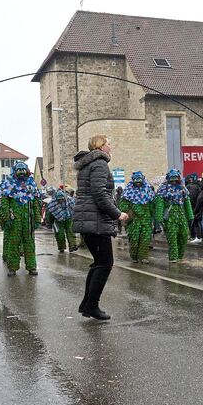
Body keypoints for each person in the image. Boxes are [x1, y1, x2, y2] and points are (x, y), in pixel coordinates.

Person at [73, 135, 129, 320]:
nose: (110, 146)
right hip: (95, 221)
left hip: (89, 220)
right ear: (101, 146)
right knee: (105, 263)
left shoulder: (88, 164)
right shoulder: (99, 164)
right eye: (108, 143)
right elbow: (100, 193)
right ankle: (91, 306)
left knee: (99, 263)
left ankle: (87, 304)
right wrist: (117, 214)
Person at [0, 162, 42, 276]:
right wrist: (7, 218)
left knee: (29, 243)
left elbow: (37, 203)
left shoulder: (31, 185)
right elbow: (4, 204)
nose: (21, 172)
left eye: (23, 170)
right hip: (14, 220)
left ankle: (31, 267)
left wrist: (37, 219)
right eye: (19, 170)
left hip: (28, 220)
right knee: (14, 243)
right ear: (15, 172)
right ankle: (12, 268)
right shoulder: (8, 185)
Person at [155, 169, 194, 262]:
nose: (173, 181)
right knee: (172, 236)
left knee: (184, 235)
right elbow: (160, 204)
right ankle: (173, 257)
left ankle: (180, 256)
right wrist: (159, 217)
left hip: (181, 215)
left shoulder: (182, 188)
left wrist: (190, 216)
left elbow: (187, 202)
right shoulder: (163, 189)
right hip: (170, 216)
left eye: (175, 178)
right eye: (171, 179)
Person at [119, 171, 155, 264]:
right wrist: (128, 210)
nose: (138, 183)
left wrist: (154, 216)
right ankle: (134, 256)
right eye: (136, 181)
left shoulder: (148, 190)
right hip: (134, 220)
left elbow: (152, 204)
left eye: (140, 181)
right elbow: (123, 205)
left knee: (145, 238)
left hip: (146, 219)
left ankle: (143, 257)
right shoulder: (128, 191)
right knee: (134, 238)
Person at [186, 173, 201, 240]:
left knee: (192, 221)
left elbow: (191, 198)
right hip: (197, 206)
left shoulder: (191, 186)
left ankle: (193, 236)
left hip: (192, 207)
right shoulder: (198, 185)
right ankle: (197, 236)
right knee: (197, 222)